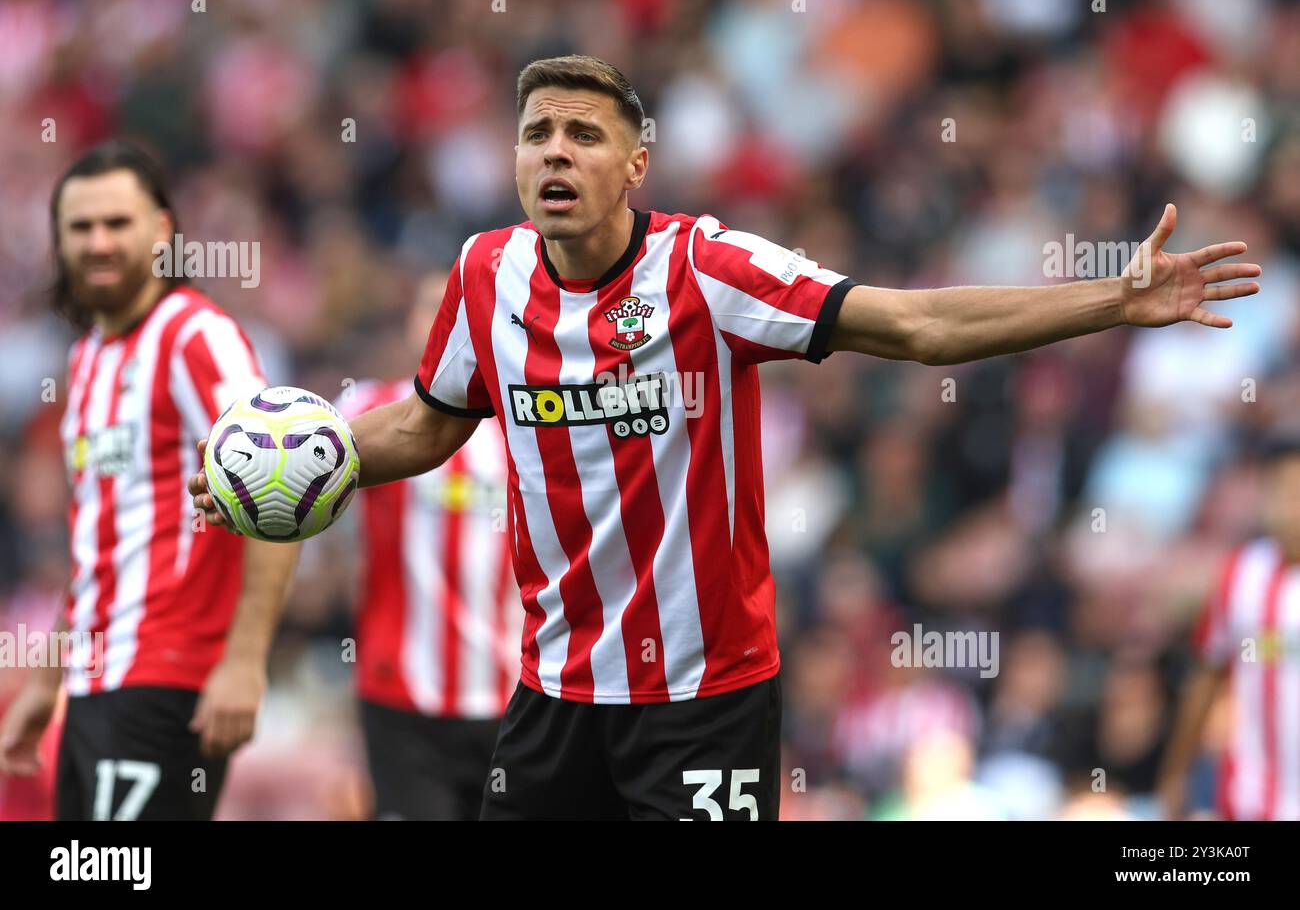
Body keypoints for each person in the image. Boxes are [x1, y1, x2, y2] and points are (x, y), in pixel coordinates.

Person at [190, 55, 1262, 820]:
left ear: (636, 163)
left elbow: (919, 325)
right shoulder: (485, 276)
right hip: (555, 690)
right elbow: (427, 424)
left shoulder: (709, 271)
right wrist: (295, 469)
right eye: (535, 133)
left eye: (583, 134)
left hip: (704, 697)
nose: (553, 153)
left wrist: (1108, 304)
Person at [0, 142, 301, 820]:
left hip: (168, 677)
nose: (99, 243)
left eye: (118, 223)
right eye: (81, 228)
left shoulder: (195, 335)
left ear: (162, 231)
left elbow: (283, 490)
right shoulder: (86, 362)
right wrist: (46, 684)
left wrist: (246, 659)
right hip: (93, 686)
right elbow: (93, 549)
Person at [336, 272, 520, 820]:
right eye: (432, 307)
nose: (448, 319)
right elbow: (297, 458)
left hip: (514, 699)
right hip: (401, 697)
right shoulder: (368, 406)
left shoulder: (530, 420)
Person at [1158, 435, 1300, 820]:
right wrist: (1175, 773)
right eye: (1282, 490)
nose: (1290, 506)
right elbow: (1206, 676)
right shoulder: (1240, 573)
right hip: (1249, 796)